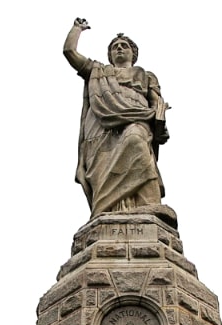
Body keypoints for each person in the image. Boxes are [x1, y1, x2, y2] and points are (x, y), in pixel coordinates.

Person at [63, 18, 174, 224]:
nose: (120, 49)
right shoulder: (98, 72)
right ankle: (106, 213)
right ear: (110, 55)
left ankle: (148, 205)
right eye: (115, 47)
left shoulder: (146, 75)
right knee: (105, 165)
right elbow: (70, 52)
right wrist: (77, 29)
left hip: (139, 119)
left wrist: (160, 118)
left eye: (124, 46)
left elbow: (157, 103)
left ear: (133, 52)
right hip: (101, 129)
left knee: (136, 141)